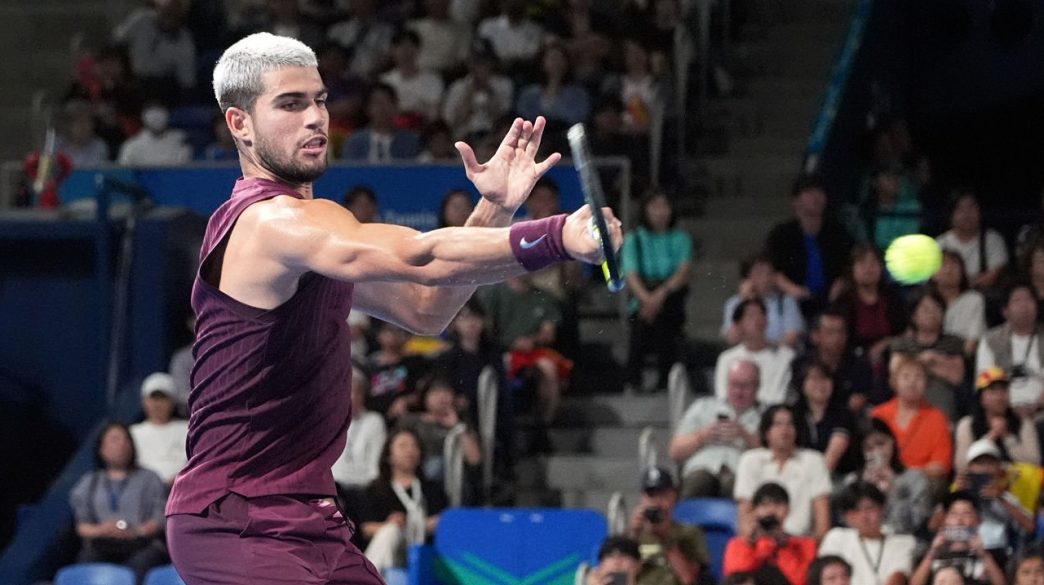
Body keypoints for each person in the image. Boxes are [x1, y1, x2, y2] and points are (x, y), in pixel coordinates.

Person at [165, 32, 620, 585]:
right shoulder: (268, 222)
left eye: (320, 100)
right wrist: (556, 236)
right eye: (290, 104)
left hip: (309, 518)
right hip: (237, 521)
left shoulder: (312, 242)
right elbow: (420, 254)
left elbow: (427, 308)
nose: (315, 118)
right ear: (240, 124)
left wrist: (495, 208)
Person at [70, 422, 169, 581]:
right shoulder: (89, 482)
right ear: (101, 449)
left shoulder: (150, 478)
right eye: (115, 440)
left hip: (142, 545)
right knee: (86, 562)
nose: (122, 445)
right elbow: (82, 526)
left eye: (126, 439)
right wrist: (103, 530)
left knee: (142, 563)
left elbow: (160, 518)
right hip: (102, 545)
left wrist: (135, 531)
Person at [623, 190, 694, 392]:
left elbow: (682, 273)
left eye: (664, 206)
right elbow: (631, 274)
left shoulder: (681, 239)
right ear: (645, 210)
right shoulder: (633, 239)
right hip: (642, 297)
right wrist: (647, 299)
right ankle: (633, 381)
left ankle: (665, 381)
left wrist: (658, 298)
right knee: (641, 324)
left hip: (670, 295)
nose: (660, 212)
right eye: (655, 206)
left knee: (664, 321)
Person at [734, 405, 833, 541]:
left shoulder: (814, 460)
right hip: (761, 542)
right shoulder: (750, 460)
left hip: (800, 542)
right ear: (767, 432)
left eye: (790, 424)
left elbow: (823, 522)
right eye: (778, 424)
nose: (784, 430)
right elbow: (744, 516)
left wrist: (811, 546)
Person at [358, 428, 448, 572]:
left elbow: (442, 521)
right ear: (389, 455)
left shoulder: (432, 488)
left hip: (425, 552)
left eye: (414, 446)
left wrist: (413, 525)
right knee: (390, 532)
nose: (409, 451)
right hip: (392, 551)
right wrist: (391, 526)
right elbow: (366, 528)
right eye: (403, 446)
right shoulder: (375, 489)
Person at [670, 359, 762, 499]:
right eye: (734, 385)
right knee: (699, 482)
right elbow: (675, 452)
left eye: (745, 386)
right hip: (701, 467)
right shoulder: (702, 407)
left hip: (739, 471)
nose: (739, 392)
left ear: (757, 386)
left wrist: (745, 435)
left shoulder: (765, 415)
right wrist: (702, 437)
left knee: (735, 486)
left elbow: (774, 454)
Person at [765, 175, 855, 318]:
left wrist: (841, 283)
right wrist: (793, 289)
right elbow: (772, 269)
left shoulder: (838, 232)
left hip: (833, 300)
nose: (815, 197)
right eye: (809, 192)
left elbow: (849, 265)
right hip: (793, 300)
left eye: (819, 192)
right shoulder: (781, 234)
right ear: (796, 201)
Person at [870, 356, 953, 483]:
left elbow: (940, 466)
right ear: (894, 382)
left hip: (921, 482)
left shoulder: (938, 418)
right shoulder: (879, 414)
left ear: (926, 384)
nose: (912, 383)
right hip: (880, 478)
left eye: (918, 377)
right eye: (906, 377)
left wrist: (906, 476)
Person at [889, 288, 967, 422]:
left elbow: (956, 376)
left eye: (937, 309)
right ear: (914, 316)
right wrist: (934, 363)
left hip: (944, 407)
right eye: (926, 310)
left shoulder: (953, 342)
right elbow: (896, 374)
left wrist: (932, 359)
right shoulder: (901, 344)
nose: (932, 314)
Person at [951, 438, 1035, 563]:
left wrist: (1001, 498)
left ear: (998, 468)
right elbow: (933, 525)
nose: (984, 468)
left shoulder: (1006, 497)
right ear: (969, 468)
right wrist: (956, 495)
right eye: (979, 463)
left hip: (995, 552)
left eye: (990, 463)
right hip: (961, 551)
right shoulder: (957, 492)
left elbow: (1030, 526)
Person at [628, 465, 715, 585]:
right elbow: (621, 576)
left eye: (662, 495)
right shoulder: (634, 534)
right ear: (643, 498)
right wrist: (633, 535)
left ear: (673, 496)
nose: (657, 501)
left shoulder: (689, 533)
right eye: (651, 495)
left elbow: (689, 579)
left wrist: (665, 538)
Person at [846, 418, 932, 536]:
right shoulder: (853, 480)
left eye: (881, 444)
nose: (877, 452)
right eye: (869, 448)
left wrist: (894, 489)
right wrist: (866, 490)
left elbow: (913, 525)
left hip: (902, 540)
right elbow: (848, 525)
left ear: (893, 442)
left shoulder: (915, 479)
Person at [818, 482, 916, 585]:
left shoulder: (903, 543)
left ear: (882, 508)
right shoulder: (836, 538)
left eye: (869, 508)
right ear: (846, 516)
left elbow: (898, 578)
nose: (864, 516)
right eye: (856, 510)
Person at [724, 482, 818, 585]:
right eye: (764, 505)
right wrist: (750, 543)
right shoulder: (739, 544)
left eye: (778, 504)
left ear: (788, 509)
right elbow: (737, 579)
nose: (771, 510)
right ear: (754, 510)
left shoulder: (804, 544)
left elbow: (801, 580)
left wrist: (784, 546)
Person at [830, 244, 907, 368]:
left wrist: (886, 343)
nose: (868, 267)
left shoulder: (892, 298)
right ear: (852, 268)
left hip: (891, 357)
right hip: (852, 361)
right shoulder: (843, 302)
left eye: (873, 262)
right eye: (862, 262)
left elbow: (905, 331)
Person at [976, 282, 1044, 416]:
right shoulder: (991, 340)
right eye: (1017, 300)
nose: (1024, 305)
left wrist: (1037, 405)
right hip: (1003, 412)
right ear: (1005, 311)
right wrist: (1006, 407)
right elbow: (985, 383)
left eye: (1029, 299)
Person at [909, 491, 1006, 585]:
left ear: (978, 520)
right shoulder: (929, 554)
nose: (959, 520)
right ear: (945, 520)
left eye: (966, 513)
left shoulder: (992, 554)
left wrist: (984, 554)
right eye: (953, 514)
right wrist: (932, 552)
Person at [954, 367, 1040, 471]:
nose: (999, 397)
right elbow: (962, 465)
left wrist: (1007, 436)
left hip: (1015, 478)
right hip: (981, 478)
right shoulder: (967, 424)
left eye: (1003, 390)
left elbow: (1034, 461)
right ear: (981, 398)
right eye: (992, 391)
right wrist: (991, 436)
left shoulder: (1023, 423)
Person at [715, 299, 796, 406]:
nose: (758, 320)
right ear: (738, 325)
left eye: (761, 315)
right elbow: (722, 396)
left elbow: (782, 396)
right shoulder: (726, 358)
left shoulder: (786, 356)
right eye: (751, 316)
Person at [790, 309, 874, 410]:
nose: (837, 337)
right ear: (815, 336)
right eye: (830, 332)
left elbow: (858, 400)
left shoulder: (858, 364)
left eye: (841, 332)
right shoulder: (801, 364)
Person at [331, 367, 386, 508]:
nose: (351, 396)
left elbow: (376, 463)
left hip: (365, 487)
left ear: (363, 395)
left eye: (355, 391)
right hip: (335, 487)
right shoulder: (329, 421)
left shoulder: (374, 420)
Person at [723, 254, 805, 349]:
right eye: (759, 273)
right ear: (748, 277)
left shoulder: (785, 301)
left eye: (769, 273)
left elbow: (793, 335)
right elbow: (732, 338)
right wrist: (745, 301)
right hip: (746, 354)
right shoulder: (734, 303)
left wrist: (768, 352)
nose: (765, 278)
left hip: (777, 353)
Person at [790, 361, 857, 475]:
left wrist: (812, 480)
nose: (820, 384)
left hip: (838, 475)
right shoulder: (794, 414)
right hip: (798, 473)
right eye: (814, 378)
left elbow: (832, 458)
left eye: (825, 378)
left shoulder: (842, 414)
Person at [936, 191, 1009, 291]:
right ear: (951, 215)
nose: (967, 214)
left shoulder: (993, 240)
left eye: (971, 207)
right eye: (960, 209)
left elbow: (993, 276)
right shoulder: (940, 243)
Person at [129, 372, 189, 485]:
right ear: (144, 401)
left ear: (173, 402)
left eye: (163, 398)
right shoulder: (133, 432)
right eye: (153, 398)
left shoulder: (187, 429)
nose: (157, 404)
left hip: (181, 488)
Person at [341, 84, 421, 162]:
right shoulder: (355, 141)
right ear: (368, 109)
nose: (382, 108)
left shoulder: (410, 141)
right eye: (377, 103)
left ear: (396, 106)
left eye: (387, 102)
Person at [379, 30, 445, 124]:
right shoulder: (385, 81)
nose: (405, 51)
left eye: (410, 46)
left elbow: (434, 114)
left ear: (418, 49)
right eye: (400, 46)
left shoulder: (433, 80)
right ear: (392, 50)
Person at [931, 251, 987, 356]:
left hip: (961, 357)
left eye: (954, 264)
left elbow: (973, 342)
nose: (949, 269)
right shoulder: (926, 301)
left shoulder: (974, 299)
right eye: (943, 264)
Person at [116, 102, 192, 165]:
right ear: (144, 117)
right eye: (153, 116)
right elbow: (123, 172)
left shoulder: (180, 140)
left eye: (159, 114)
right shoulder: (131, 146)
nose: (156, 119)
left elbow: (185, 167)